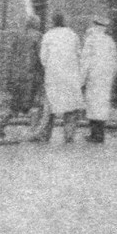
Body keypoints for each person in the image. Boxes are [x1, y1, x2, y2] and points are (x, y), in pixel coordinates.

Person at [36, 13, 84, 143]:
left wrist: (52, 66)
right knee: (71, 108)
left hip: (53, 76)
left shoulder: (47, 36)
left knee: (50, 107)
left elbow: (43, 58)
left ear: (52, 22)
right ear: (64, 21)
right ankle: (69, 136)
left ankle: (45, 135)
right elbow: (79, 55)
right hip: (70, 76)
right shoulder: (73, 35)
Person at [0, 14, 44, 140]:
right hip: (30, 77)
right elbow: (41, 57)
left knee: (14, 106)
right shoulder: (38, 37)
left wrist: (10, 76)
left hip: (17, 76)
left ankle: (1, 126)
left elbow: (12, 56)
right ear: (36, 24)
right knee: (35, 105)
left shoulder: (18, 36)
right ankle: (35, 133)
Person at [79, 16, 117, 144]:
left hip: (94, 77)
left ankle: (95, 134)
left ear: (95, 26)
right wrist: (111, 76)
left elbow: (85, 61)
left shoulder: (90, 40)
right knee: (102, 104)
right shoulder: (110, 41)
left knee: (92, 104)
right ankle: (100, 133)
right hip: (106, 78)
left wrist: (81, 80)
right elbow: (114, 62)